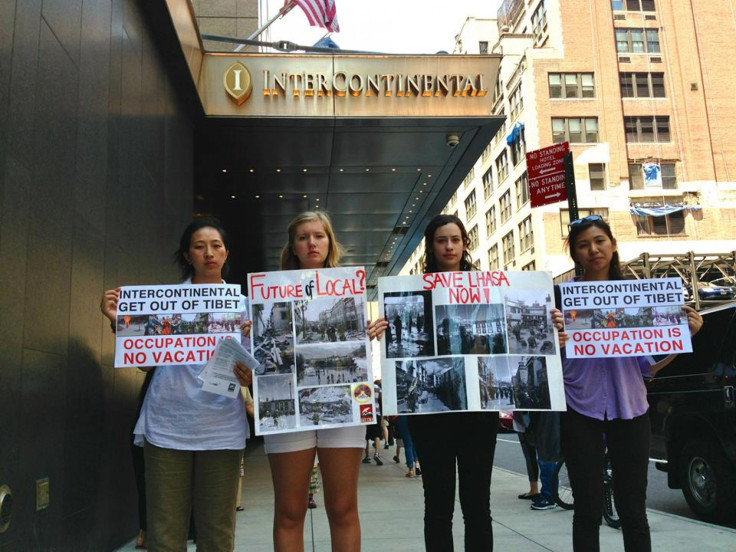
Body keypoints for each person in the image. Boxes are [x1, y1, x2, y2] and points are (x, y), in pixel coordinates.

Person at [100, 218, 253, 551]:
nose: (208, 253)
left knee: (217, 533)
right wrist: (119, 321)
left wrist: (249, 375)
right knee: (164, 533)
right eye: (199, 246)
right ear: (187, 255)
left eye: (216, 246)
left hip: (222, 429)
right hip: (168, 425)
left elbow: (259, 370)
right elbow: (145, 361)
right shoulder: (165, 302)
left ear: (226, 253)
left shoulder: (244, 307)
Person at [554, 214, 703, 552]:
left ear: (613, 245)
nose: (593, 250)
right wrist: (554, 337)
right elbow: (546, 358)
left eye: (599, 241)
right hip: (579, 409)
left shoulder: (639, 297)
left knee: (633, 509)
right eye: (583, 245)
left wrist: (683, 337)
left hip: (631, 409)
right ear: (574, 254)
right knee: (587, 509)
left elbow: (648, 367)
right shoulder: (560, 301)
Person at [244, 211, 386, 552]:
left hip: (345, 407)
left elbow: (355, 343)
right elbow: (258, 358)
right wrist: (249, 341)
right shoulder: (270, 291)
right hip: (288, 412)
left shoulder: (348, 287)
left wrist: (370, 333)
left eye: (319, 236)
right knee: (290, 511)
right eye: (303, 237)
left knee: (342, 508)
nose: (312, 242)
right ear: (293, 246)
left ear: (329, 242)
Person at [377, 214, 499, 551]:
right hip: (431, 421)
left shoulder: (489, 288)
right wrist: (382, 331)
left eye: (455, 239)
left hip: (478, 415)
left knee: (478, 506)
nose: (449, 246)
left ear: (464, 244)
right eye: (441, 240)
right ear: (431, 246)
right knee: (438, 506)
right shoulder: (412, 291)